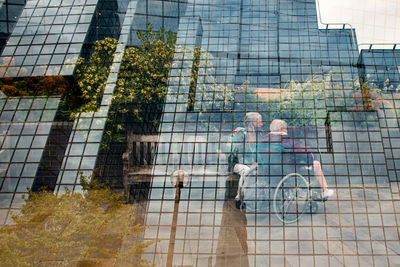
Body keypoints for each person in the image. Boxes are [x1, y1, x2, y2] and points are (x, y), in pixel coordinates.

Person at [262, 119, 334, 200]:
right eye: (285, 128)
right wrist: (309, 163)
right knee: (316, 164)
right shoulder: (286, 141)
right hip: (286, 171)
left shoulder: (262, 140)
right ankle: (324, 191)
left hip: (267, 170)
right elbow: (306, 152)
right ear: (282, 129)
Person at [226, 112, 263, 201]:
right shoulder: (241, 133)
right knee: (247, 170)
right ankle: (240, 196)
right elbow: (237, 152)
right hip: (237, 163)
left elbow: (259, 152)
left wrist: (259, 163)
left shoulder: (259, 135)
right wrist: (251, 164)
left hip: (252, 163)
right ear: (251, 123)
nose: (261, 124)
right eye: (259, 122)